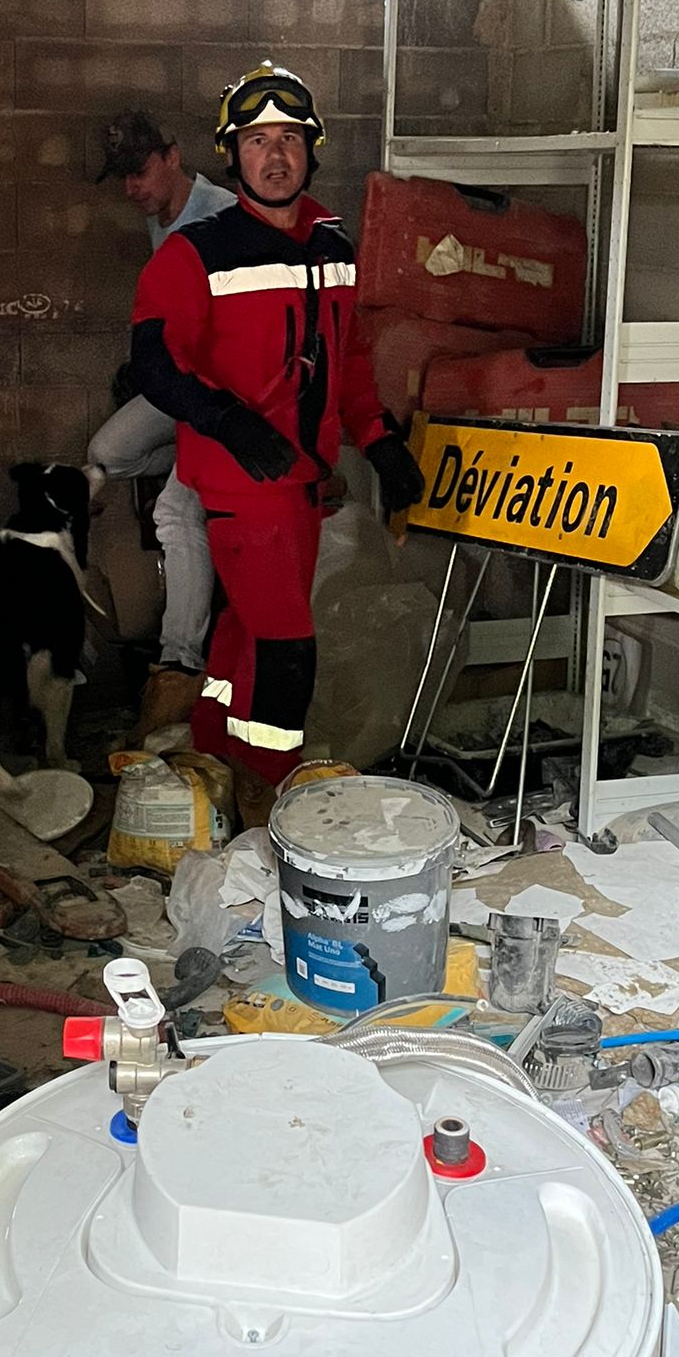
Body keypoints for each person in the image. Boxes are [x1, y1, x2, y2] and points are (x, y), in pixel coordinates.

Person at [129, 62, 424, 823]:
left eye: (289, 138)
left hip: (301, 482)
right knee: (288, 645)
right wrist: (228, 422)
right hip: (240, 483)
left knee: (245, 631)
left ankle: (212, 746)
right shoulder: (196, 253)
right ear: (232, 156)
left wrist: (380, 442)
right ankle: (270, 793)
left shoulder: (331, 247)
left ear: (311, 150)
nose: (275, 155)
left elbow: (348, 361)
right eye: (257, 140)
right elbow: (155, 363)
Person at [87, 112, 236, 737]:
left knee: (176, 512)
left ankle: (179, 664)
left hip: (222, 392)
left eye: (140, 171)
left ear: (172, 158)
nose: (132, 188)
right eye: (122, 177)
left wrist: (210, 415)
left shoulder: (221, 218)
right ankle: (190, 459)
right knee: (105, 454)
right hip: (178, 385)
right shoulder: (162, 217)